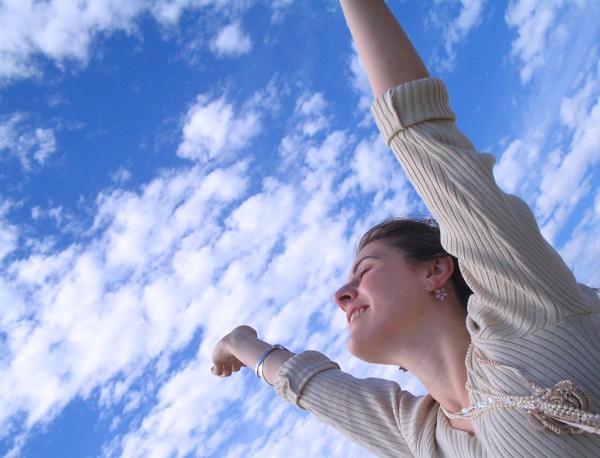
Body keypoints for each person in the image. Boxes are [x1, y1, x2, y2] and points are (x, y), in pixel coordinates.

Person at [211, 1, 600, 456]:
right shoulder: (424, 436)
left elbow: (422, 134)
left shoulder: (524, 310)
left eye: (365, 270)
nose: (342, 293)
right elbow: (313, 385)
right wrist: (240, 342)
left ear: (436, 270)